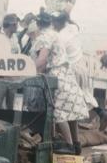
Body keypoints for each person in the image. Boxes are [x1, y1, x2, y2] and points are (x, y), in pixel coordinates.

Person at [27, 12, 89, 147]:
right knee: (70, 113)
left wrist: (28, 71)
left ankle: (68, 146)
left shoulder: (44, 37)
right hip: (67, 74)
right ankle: (76, 144)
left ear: (38, 24)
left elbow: (42, 60)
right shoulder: (55, 34)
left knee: (59, 113)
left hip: (56, 76)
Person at [52, 11, 107, 130]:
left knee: (71, 97)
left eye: (54, 22)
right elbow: (73, 23)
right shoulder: (72, 28)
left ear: (58, 22)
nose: (53, 25)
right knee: (84, 94)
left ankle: (99, 114)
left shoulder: (61, 37)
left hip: (72, 68)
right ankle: (100, 113)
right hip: (82, 67)